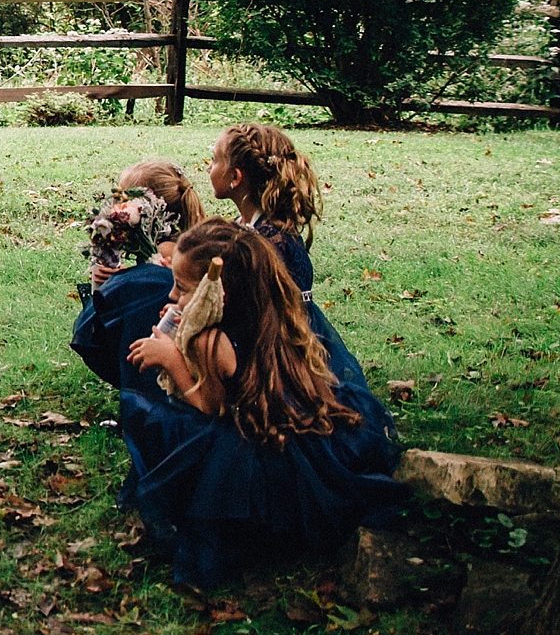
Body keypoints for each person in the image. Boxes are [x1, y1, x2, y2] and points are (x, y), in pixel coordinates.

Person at [118, 219, 406, 590]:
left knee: (185, 435)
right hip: (286, 425)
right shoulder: (262, 316)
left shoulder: (212, 341)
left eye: (183, 288)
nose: (172, 297)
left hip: (263, 445)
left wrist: (173, 359)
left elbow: (208, 407)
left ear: (214, 294)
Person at [69, 159, 205, 388]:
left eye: (124, 199)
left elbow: (160, 287)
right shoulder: (164, 242)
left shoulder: (169, 249)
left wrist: (126, 281)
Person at [210, 123, 322, 293]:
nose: (209, 167)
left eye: (215, 159)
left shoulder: (268, 243)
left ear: (235, 176)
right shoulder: (245, 225)